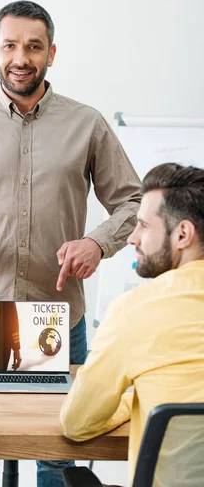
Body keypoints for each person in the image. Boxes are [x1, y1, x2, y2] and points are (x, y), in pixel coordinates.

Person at [0, 0, 141, 487]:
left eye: (33, 46)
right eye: (10, 45)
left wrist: (98, 243)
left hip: (59, 313)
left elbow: (133, 203)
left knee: (59, 451)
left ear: (51, 53)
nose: (21, 57)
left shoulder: (88, 124)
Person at [60, 163, 204, 485]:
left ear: (182, 234)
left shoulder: (135, 311)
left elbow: (77, 423)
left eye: (142, 226)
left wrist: (132, 400)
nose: (131, 239)